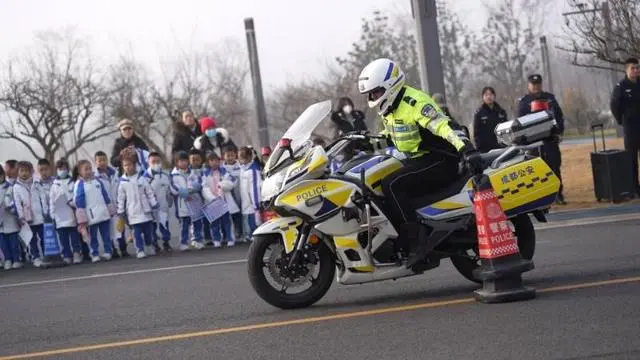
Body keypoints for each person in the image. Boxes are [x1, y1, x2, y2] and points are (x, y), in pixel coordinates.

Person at [357, 58, 479, 268]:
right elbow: (395, 135)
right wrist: (367, 141)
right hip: (419, 158)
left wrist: (465, 148)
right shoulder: (392, 108)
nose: (372, 98)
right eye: (370, 94)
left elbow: (443, 126)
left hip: (441, 160)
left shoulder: (415, 103)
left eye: (375, 92)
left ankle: (417, 242)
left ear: (389, 86)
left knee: (392, 184)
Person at [517, 74, 566, 205]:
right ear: (529, 85)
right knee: (535, 170)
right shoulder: (524, 102)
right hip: (534, 143)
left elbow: (559, 116)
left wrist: (559, 131)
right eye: (533, 85)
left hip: (550, 140)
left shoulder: (550, 98)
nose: (536, 87)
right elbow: (520, 122)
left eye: (538, 84)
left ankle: (558, 194)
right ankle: (539, 197)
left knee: (554, 167)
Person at [117, 149, 159, 259]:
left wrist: (153, 203)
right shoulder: (122, 182)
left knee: (148, 232)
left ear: (135, 165)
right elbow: (121, 198)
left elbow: (149, 192)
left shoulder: (142, 178)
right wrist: (120, 211)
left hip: (146, 212)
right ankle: (139, 249)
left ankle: (149, 245)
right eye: (125, 165)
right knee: (136, 234)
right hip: (133, 213)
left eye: (130, 165)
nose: (127, 167)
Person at [74, 159, 116, 263]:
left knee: (106, 235)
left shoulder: (98, 181)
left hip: (103, 213)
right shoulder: (80, 184)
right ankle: (95, 253)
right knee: (93, 237)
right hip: (91, 216)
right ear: (80, 172)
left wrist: (110, 208)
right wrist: (81, 216)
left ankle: (108, 252)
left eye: (89, 168)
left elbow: (105, 195)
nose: (88, 171)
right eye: (85, 169)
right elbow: (79, 200)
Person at [610, 57, 640, 196]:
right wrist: (621, 120)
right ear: (626, 70)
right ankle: (634, 187)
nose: (635, 71)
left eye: (637, 68)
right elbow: (615, 105)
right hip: (631, 128)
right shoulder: (621, 86)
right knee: (632, 159)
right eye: (632, 68)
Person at [12, 161, 50, 268]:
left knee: (44, 238)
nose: (24, 173)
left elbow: (43, 198)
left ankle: (46, 256)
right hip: (27, 220)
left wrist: (45, 212)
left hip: (40, 217)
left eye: (27, 171)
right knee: (31, 240)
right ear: (18, 172)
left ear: (31, 171)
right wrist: (21, 217)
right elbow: (17, 203)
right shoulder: (16, 187)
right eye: (22, 171)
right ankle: (35, 257)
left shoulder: (37, 183)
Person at [170, 150, 205, 251]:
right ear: (177, 162)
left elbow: (199, 183)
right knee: (184, 224)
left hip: (194, 201)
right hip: (182, 204)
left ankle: (198, 240)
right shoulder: (173, 175)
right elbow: (174, 189)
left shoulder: (193, 172)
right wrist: (185, 193)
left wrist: (191, 190)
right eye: (181, 161)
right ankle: (184, 242)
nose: (184, 163)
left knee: (197, 222)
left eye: (185, 160)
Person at [49, 159, 82, 265]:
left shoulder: (73, 182)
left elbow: (76, 197)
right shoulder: (54, 185)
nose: (62, 170)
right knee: (63, 238)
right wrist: (52, 214)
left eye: (64, 168)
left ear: (68, 169)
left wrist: (72, 203)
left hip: (71, 214)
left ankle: (76, 253)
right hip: (59, 216)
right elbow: (51, 201)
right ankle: (67, 255)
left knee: (74, 236)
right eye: (59, 169)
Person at [202, 152, 235, 247]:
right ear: (208, 162)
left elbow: (230, 184)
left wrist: (222, 185)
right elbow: (204, 188)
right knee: (214, 222)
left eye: (216, 160)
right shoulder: (205, 174)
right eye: (212, 161)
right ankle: (216, 240)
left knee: (227, 222)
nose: (214, 163)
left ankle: (230, 238)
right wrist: (212, 198)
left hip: (224, 201)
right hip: (213, 202)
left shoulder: (224, 171)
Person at [144, 152, 173, 252]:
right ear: (148, 162)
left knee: (164, 225)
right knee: (152, 227)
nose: (156, 164)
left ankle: (166, 242)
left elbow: (168, 190)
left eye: (158, 161)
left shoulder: (165, 175)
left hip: (163, 206)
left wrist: (169, 201)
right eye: (153, 162)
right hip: (150, 208)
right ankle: (154, 243)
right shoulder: (144, 177)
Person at [473, 86, 509, 153]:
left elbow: (507, 130)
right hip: (486, 150)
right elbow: (476, 134)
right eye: (486, 95)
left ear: (494, 96)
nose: (489, 97)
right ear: (483, 97)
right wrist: (479, 149)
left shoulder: (501, 112)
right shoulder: (479, 114)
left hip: (502, 147)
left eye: (491, 94)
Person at [238, 147, 262, 240]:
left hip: (252, 202)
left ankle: (255, 234)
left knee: (254, 219)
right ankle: (249, 234)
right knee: (247, 218)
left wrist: (256, 204)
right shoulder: (242, 169)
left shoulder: (253, 170)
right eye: (240, 157)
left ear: (250, 157)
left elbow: (255, 188)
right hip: (245, 200)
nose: (242, 159)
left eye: (244, 157)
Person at [1, 167, 22, 270]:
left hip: (10, 219)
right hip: (1, 222)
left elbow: (15, 202)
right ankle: (8, 259)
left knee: (13, 243)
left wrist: (11, 207)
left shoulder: (10, 187)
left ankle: (16, 259)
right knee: (3, 244)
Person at [222, 146, 243, 242]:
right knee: (225, 217)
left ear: (236, 155)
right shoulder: (221, 169)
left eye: (232, 155)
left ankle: (239, 232)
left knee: (237, 215)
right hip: (225, 196)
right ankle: (225, 235)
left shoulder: (240, 167)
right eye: (228, 156)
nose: (230, 158)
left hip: (238, 195)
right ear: (224, 156)